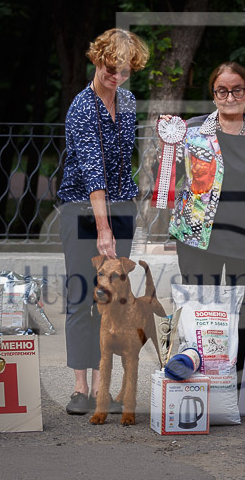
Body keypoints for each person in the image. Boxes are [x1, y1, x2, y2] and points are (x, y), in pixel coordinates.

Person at [166, 61, 245, 378]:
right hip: (197, 239)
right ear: (214, 94)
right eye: (222, 90)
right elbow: (170, 179)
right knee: (197, 313)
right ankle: (195, 377)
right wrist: (167, 148)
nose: (230, 96)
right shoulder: (190, 131)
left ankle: (236, 385)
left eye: (237, 89)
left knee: (244, 315)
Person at [57, 28, 149, 415]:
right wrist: (104, 228)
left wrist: (129, 209)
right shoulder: (82, 106)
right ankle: (80, 388)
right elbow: (94, 173)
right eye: (112, 68)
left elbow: (122, 162)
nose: (117, 77)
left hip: (121, 207)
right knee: (83, 294)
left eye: (125, 71)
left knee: (114, 299)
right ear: (97, 60)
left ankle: (103, 388)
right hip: (83, 208)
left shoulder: (126, 101)